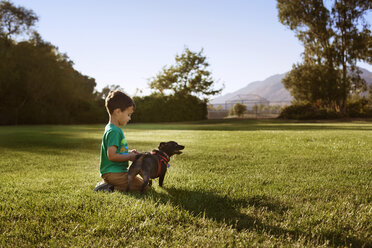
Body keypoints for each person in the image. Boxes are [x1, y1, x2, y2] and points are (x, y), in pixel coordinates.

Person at [94, 90, 149, 193]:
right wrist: (130, 157)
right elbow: (112, 156)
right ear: (118, 112)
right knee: (144, 187)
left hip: (116, 172)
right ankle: (108, 187)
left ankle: (110, 184)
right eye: (128, 114)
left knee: (144, 181)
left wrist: (130, 153)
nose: (129, 118)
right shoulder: (114, 131)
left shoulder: (114, 129)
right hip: (113, 173)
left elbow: (118, 152)